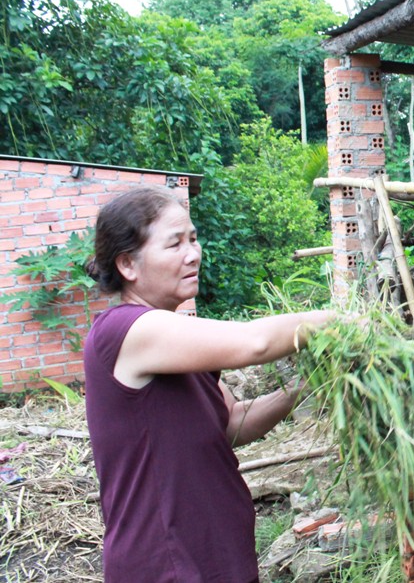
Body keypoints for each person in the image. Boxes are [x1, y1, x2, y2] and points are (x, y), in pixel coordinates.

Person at [83, 186, 334, 582]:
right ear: (128, 264)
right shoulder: (124, 329)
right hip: (166, 563)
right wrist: (341, 324)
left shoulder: (177, 337)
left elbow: (231, 422)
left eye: (194, 238)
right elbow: (256, 342)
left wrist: (304, 387)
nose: (193, 254)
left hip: (217, 556)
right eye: (175, 244)